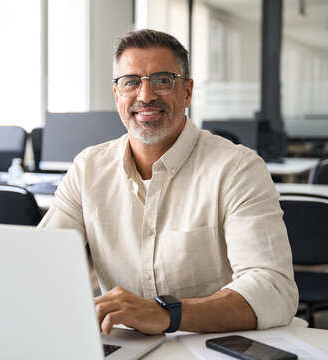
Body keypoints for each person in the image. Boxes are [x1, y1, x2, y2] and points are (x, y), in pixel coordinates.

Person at [38, 29, 298, 335]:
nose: (145, 96)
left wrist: (166, 314)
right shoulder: (88, 168)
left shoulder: (237, 169)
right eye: (131, 82)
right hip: (125, 344)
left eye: (162, 80)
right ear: (117, 94)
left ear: (187, 92)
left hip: (211, 346)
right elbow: (41, 261)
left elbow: (274, 289)